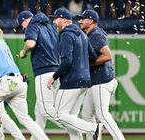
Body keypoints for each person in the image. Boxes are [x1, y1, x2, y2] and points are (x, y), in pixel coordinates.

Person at [47, 8, 101, 140]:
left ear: (65, 20)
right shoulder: (82, 34)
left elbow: (66, 61)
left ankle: (92, 128)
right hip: (84, 80)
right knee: (71, 118)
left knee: (60, 114)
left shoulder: (66, 34)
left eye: (56, 18)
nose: (54, 21)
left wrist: (54, 77)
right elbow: (93, 57)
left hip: (71, 81)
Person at [77, 9, 125, 140]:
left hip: (101, 81)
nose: (80, 21)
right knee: (86, 115)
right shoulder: (91, 34)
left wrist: (88, 65)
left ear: (91, 21)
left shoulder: (95, 34)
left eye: (83, 18)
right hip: (97, 81)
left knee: (103, 115)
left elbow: (108, 55)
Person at [15, 10, 61, 139]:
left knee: (46, 110)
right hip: (56, 71)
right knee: (39, 113)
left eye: (22, 25)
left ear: (25, 20)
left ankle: (86, 126)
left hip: (44, 72)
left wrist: (24, 52)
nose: (23, 28)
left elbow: (30, 43)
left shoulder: (32, 25)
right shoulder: (51, 26)